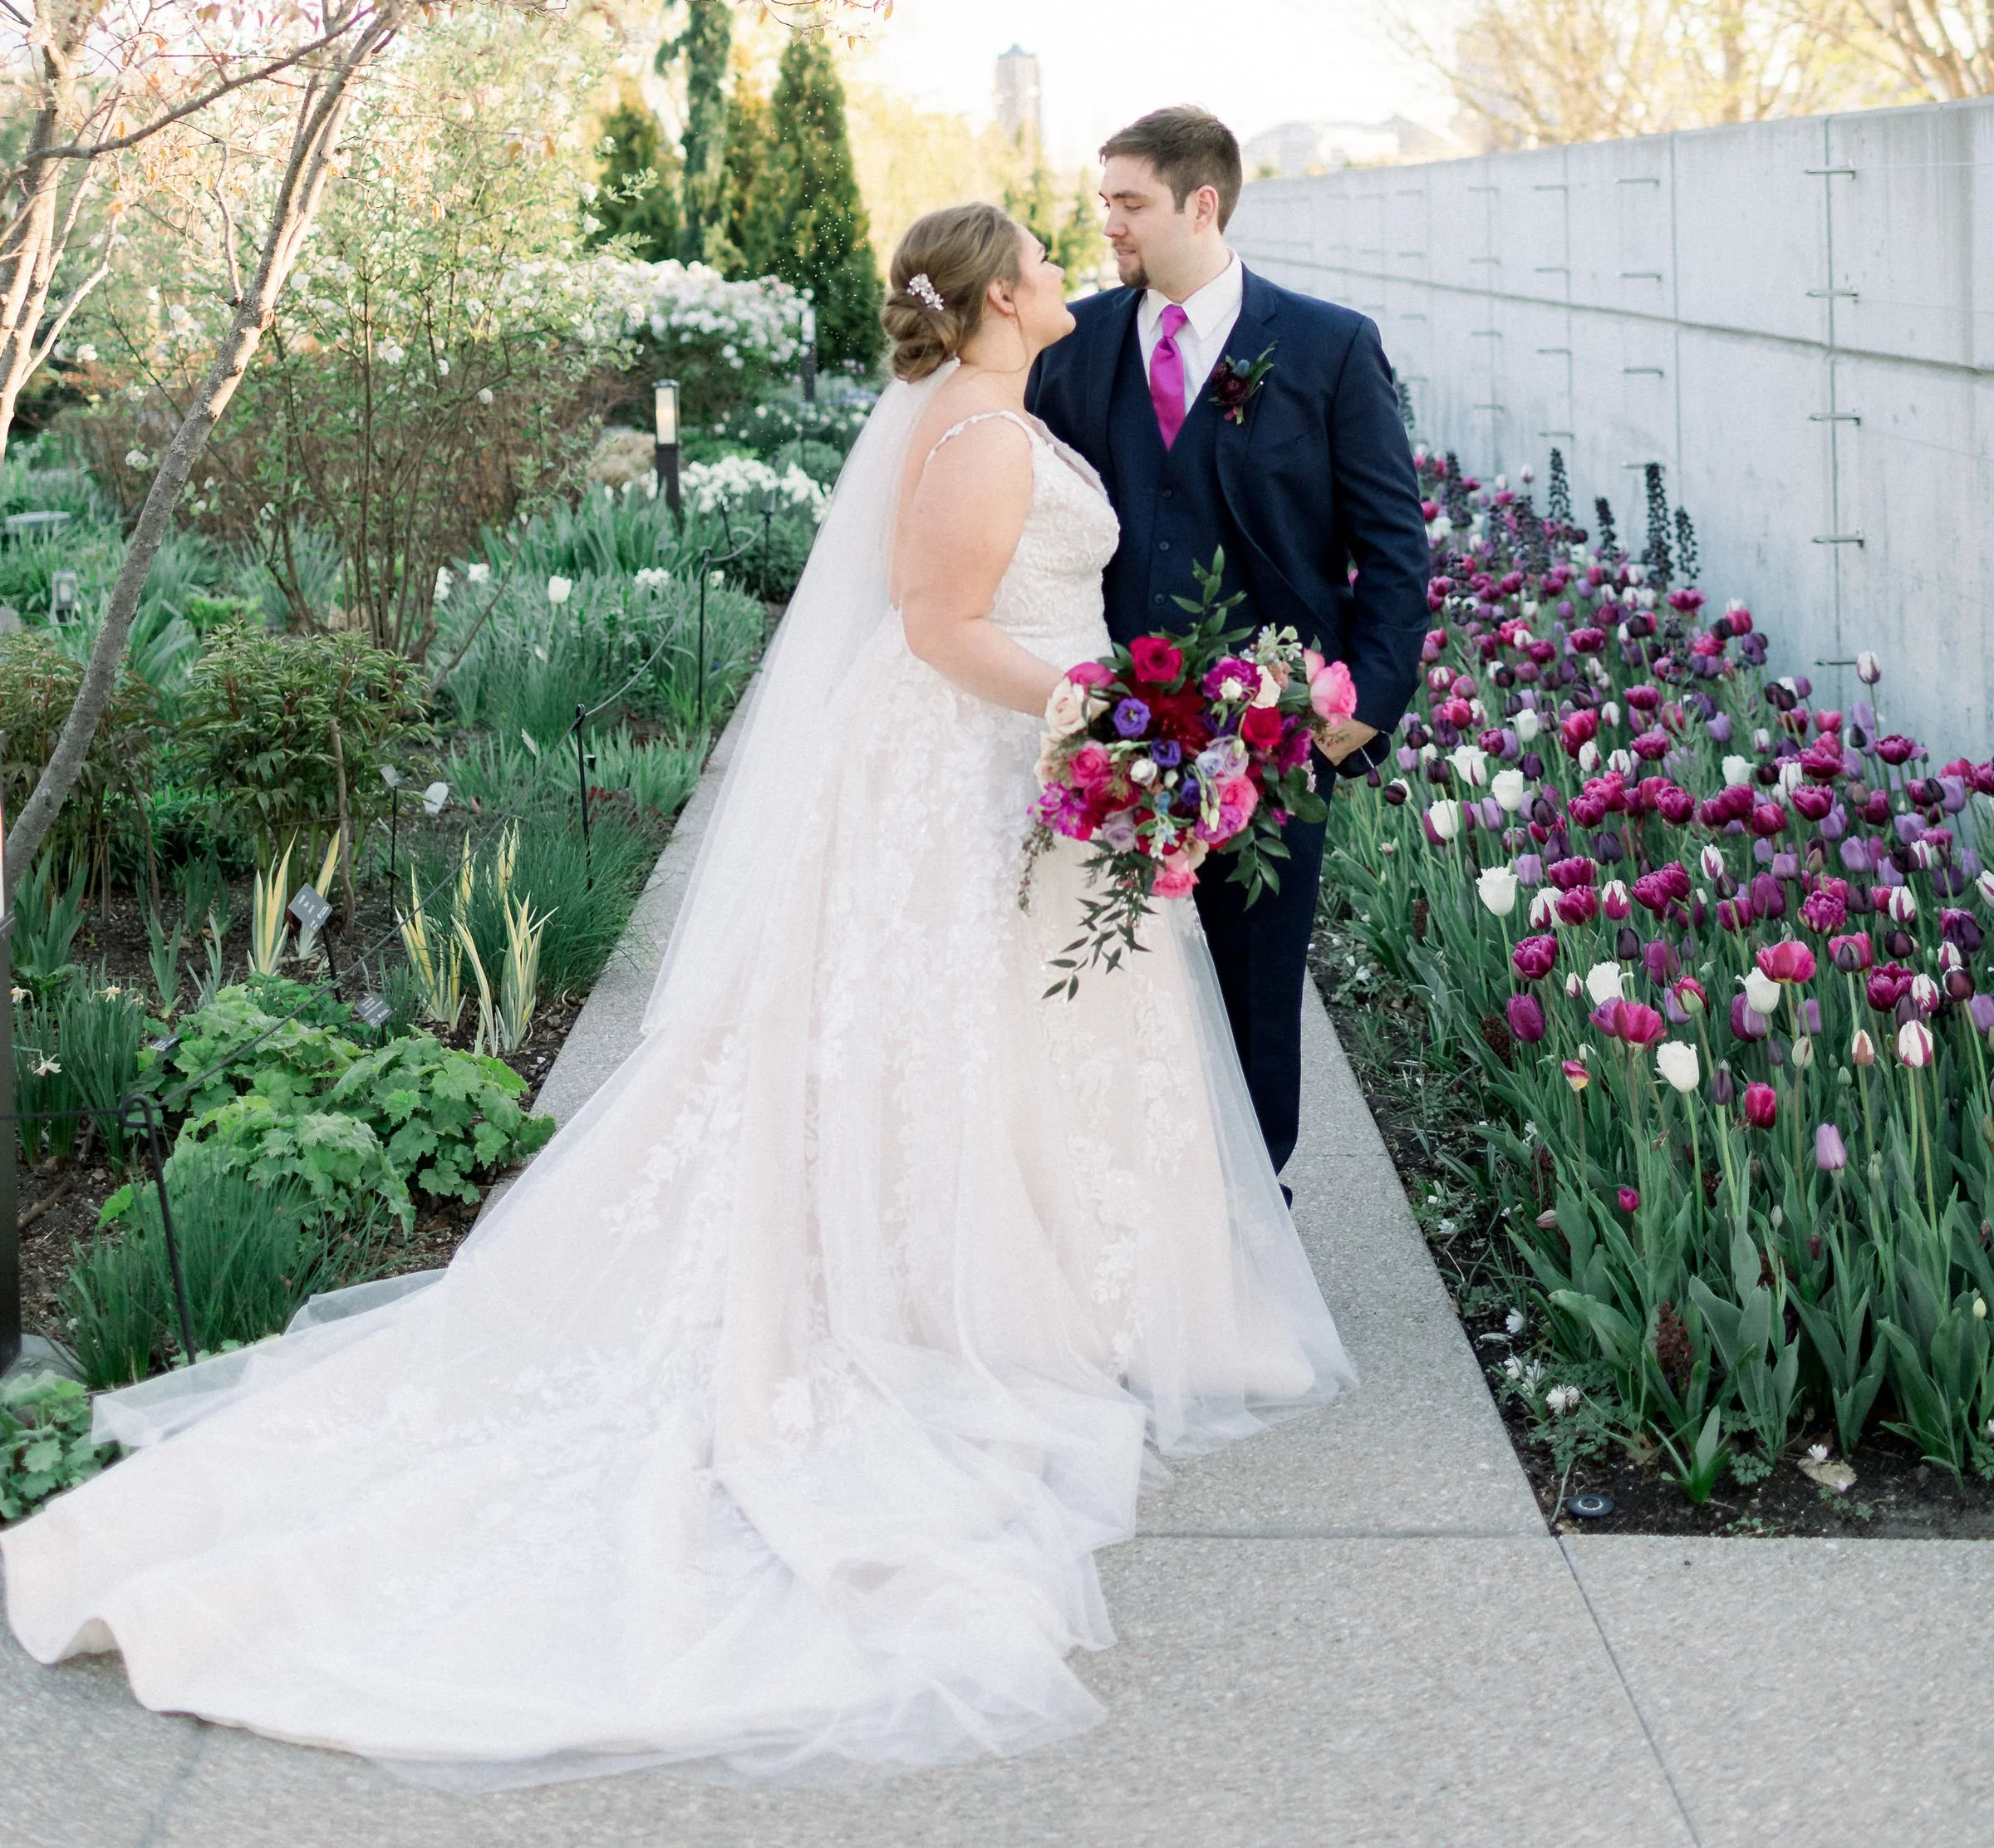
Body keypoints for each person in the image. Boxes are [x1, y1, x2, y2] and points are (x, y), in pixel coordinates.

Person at [4, 202, 1350, 1789]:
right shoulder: (981, 435)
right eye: (1043, 265)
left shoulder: (995, 408)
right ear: (996, 299)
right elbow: (935, 628)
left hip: (1022, 767)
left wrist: (1112, 716)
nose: (1068, 276)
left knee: (997, 1036)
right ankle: (953, 1292)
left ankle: (1042, 1276)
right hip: (977, 758)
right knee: (930, 1031)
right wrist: (1102, 701)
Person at [1029, 106, 1429, 1182]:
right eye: (1104, 199)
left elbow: (1396, 553)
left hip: (1273, 751)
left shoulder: (1327, 348)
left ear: (1200, 203)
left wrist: (1361, 720)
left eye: (1129, 202)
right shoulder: (1070, 347)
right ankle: (1114, 1219)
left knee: (1258, 1004)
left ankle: (1256, 1236)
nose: (1106, 220)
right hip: (1104, 744)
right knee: (1099, 986)